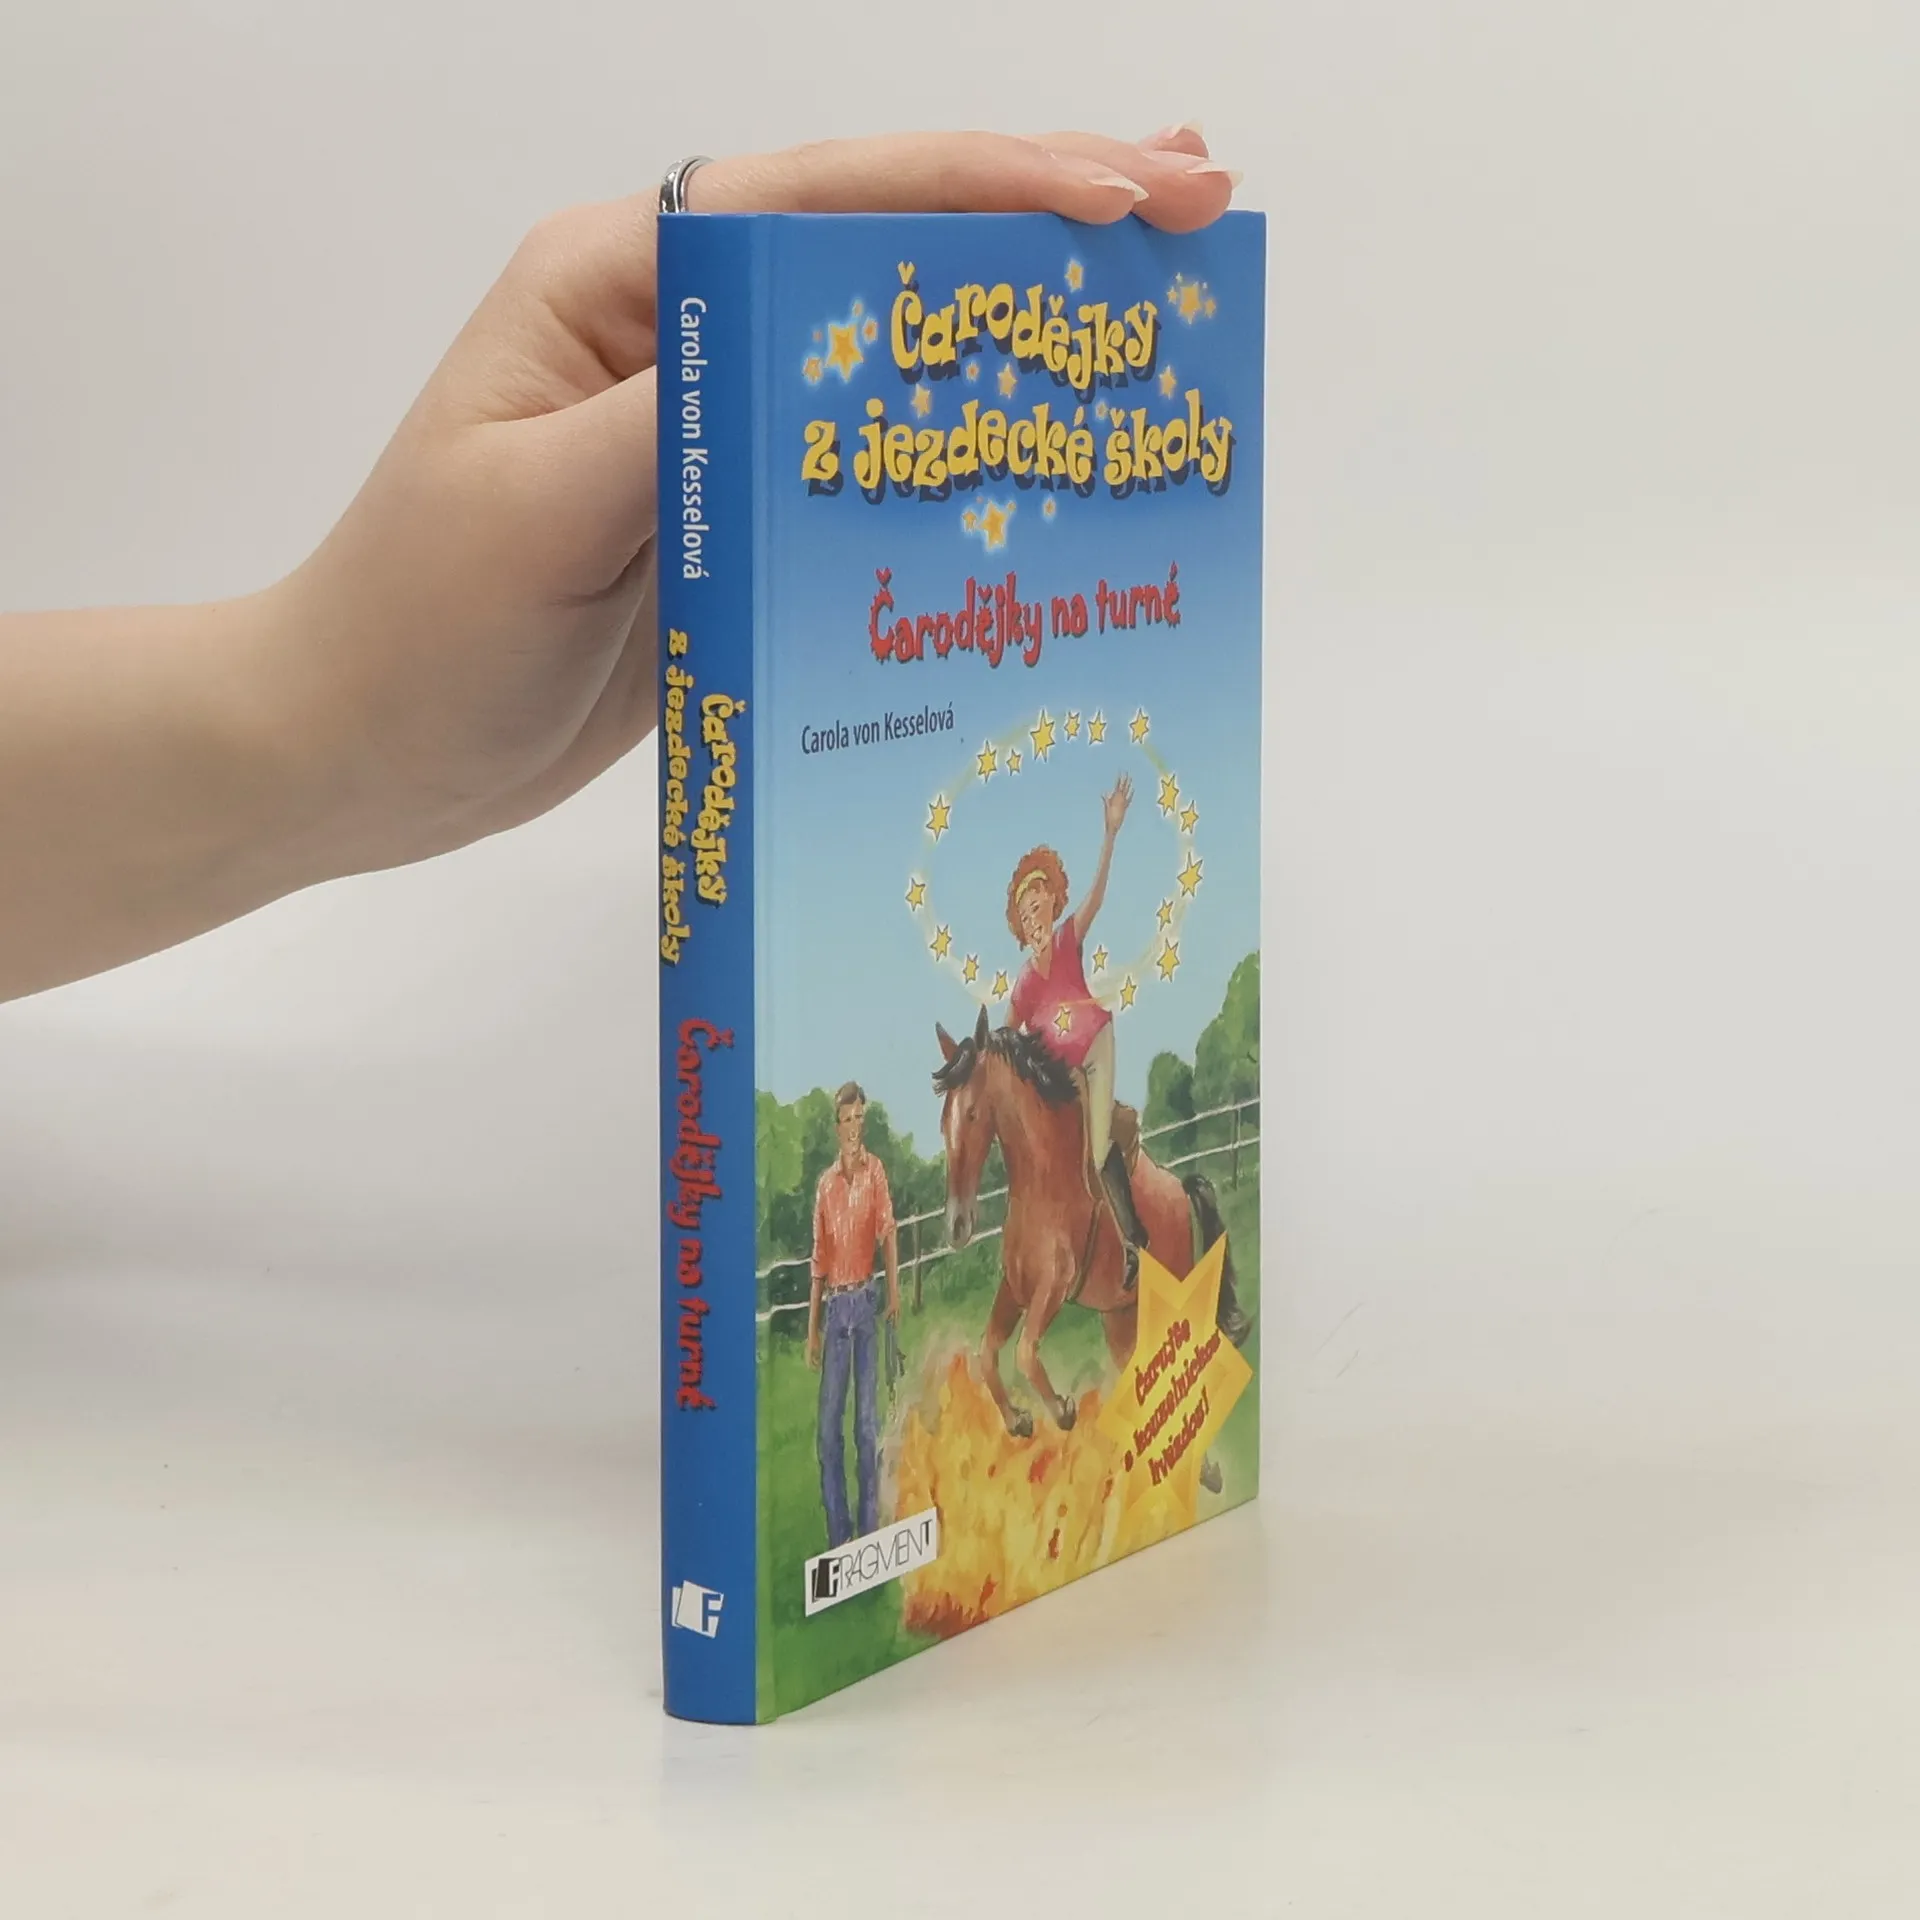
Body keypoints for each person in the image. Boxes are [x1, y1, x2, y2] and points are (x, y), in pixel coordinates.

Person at [0, 128, 1236, 1007]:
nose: (1039, 917)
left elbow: (1105, 906)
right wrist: (328, 716)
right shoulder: (1012, 981)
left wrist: (329, 729)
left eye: (1042, 906)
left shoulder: (1068, 952)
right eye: (1030, 906)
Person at [1007, 775, 1143, 1288]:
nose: (1032, 918)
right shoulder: (1023, 984)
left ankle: (1133, 1244)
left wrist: (1110, 833)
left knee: (1098, 1151)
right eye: (1024, 915)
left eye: (1037, 906)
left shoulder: (1068, 939)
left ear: (1053, 903)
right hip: (1062, 1077)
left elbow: (1098, 896)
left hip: (1094, 1052)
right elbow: (1004, 1042)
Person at [806, 1082, 900, 1548]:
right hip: (835, 1310)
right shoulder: (825, 1186)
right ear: (837, 1126)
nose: (854, 1127)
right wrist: (812, 1331)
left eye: (859, 1118)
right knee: (828, 1434)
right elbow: (819, 1260)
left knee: (866, 1427)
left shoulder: (875, 1172)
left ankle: (869, 1531)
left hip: (864, 1304)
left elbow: (888, 1231)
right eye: (847, 1120)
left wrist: (895, 1293)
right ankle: (838, 1538)